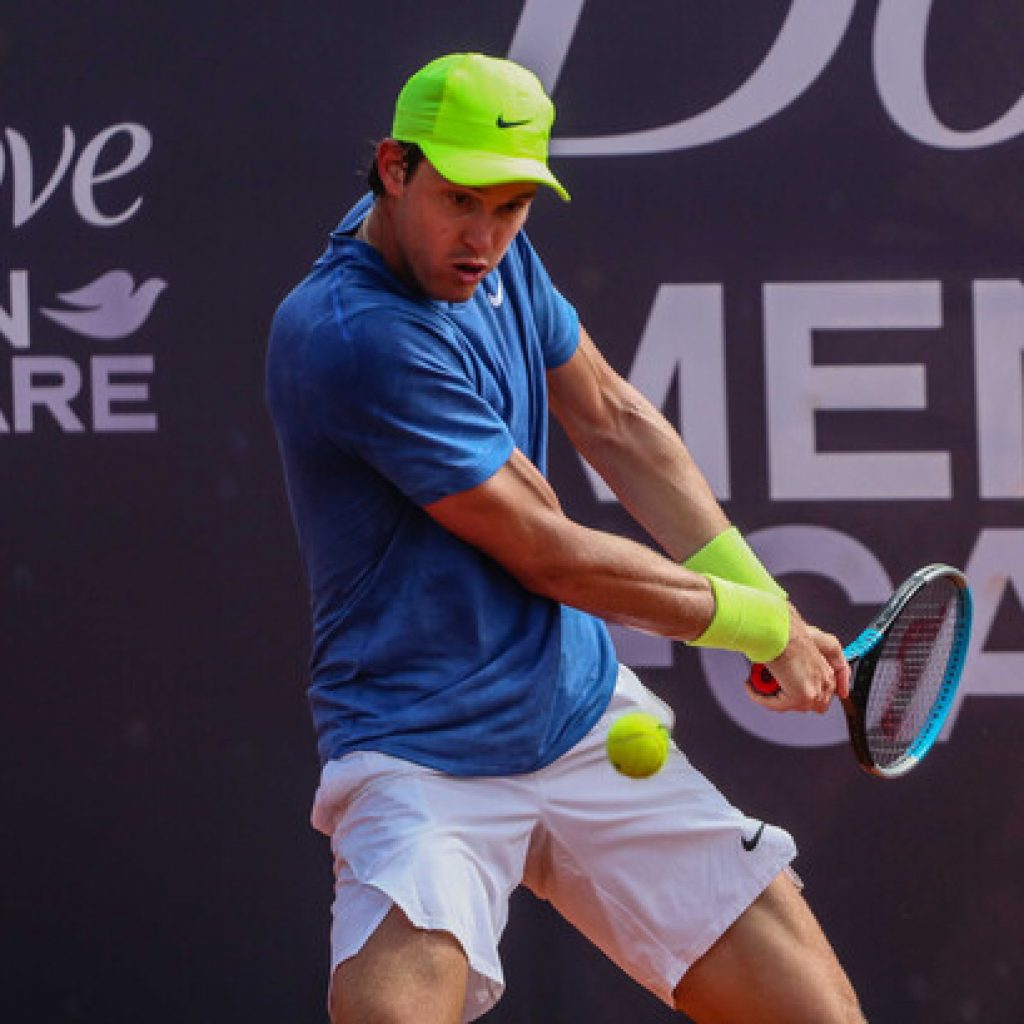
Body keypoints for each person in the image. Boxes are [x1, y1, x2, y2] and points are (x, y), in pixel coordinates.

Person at [266, 52, 865, 1024]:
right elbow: (546, 550)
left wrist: (773, 604)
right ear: (392, 167)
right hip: (419, 750)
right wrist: (758, 628)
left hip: (578, 716)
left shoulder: (492, 257)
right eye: (463, 200)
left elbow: (617, 421)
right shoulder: (353, 335)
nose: (486, 237)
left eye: (512, 208)